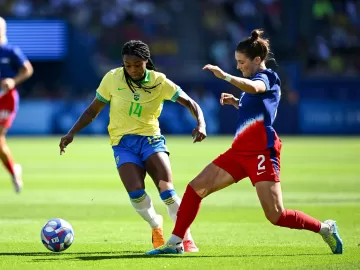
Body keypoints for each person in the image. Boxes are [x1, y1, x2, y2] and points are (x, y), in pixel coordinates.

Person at [146, 29, 343, 255]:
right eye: (236, 63)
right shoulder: (251, 83)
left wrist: (226, 77)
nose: (238, 66)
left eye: (241, 62)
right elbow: (258, 109)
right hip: (239, 151)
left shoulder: (268, 78)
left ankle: (325, 228)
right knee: (195, 188)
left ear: (257, 60)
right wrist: (237, 102)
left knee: (275, 215)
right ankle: (176, 242)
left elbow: (255, 88)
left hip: (261, 152)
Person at [59, 40, 206, 252]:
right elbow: (93, 110)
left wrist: (200, 123)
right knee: (136, 192)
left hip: (151, 140)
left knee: (167, 191)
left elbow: (191, 103)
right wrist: (71, 133)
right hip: (122, 144)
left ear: (146, 61)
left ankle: (185, 236)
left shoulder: (159, 82)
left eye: (137, 64)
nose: (133, 69)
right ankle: (156, 224)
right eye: (128, 65)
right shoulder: (112, 78)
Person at [0, 17, 33, 193]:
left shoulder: (10, 51)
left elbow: (27, 69)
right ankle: (14, 171)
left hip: (6, 99)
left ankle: (13, 172)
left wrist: (13, 81)